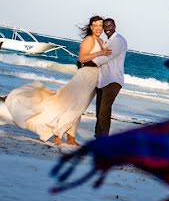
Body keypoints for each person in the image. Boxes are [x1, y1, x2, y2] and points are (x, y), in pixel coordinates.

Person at [1, 16, 111, 145]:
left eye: (100, 25)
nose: (98, 28)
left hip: (94, 78)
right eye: (95, 25)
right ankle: (58, 135)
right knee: (74, 107)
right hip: (85, 77)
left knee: (78, 108)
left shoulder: (101, 40)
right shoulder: (89, 40)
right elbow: (82, 58)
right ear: (91, 27)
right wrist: (100, 53)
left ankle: (70, 137)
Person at [93, 17, 127, 137]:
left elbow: (107, 57)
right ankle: (98, 137)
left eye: (109, 26)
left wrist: (88, 62)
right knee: (100, 111)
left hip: (113, 81)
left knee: (104, 111)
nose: (107, 29)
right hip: (103, 80)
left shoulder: (118, 41)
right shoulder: (107, 41)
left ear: (114, 26)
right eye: (105, 26)